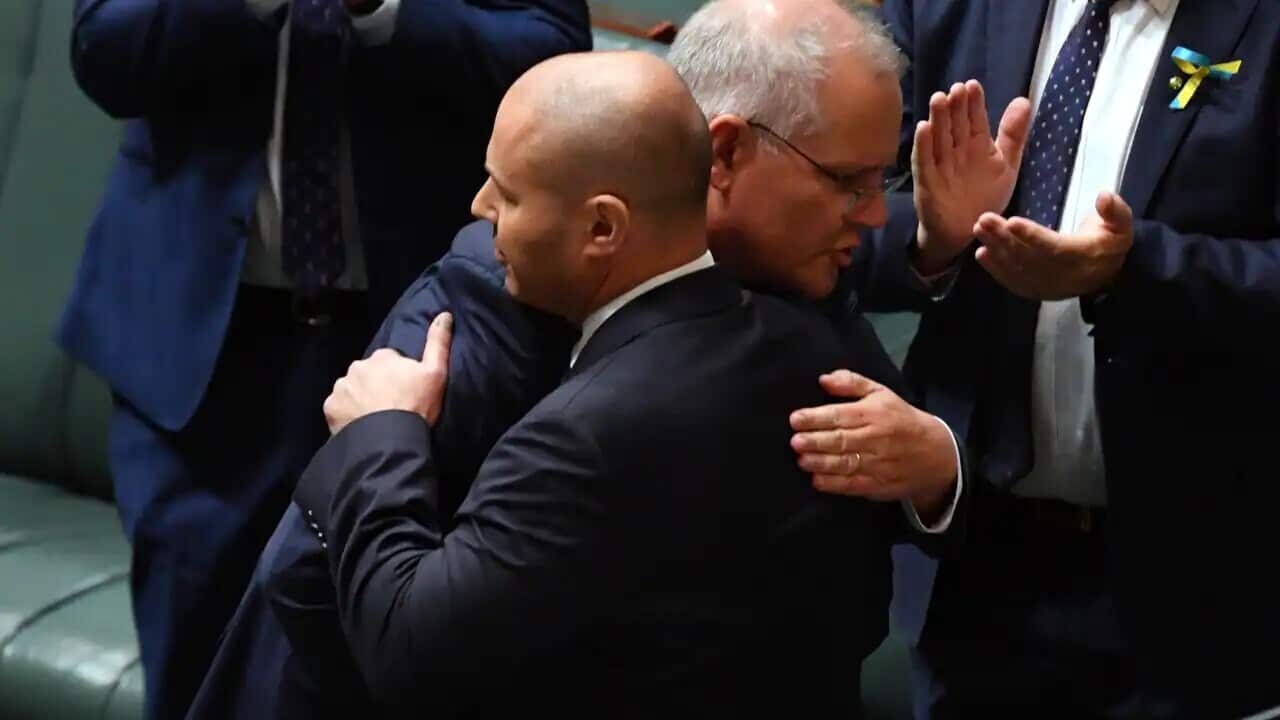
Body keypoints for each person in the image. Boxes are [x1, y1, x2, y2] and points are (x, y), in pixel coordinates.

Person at [194, 2, 969, 715]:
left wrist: (936, 467)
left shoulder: (800, 291)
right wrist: (385, 441)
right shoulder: (491, 296)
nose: (874, 215)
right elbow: (314, 587)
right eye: (848, 182)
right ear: (724, 152)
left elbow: (858, 551)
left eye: (881, 181)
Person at [59, 1, 590, 717]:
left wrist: (381, 9)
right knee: (192, 676)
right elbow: (104, 50)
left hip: (417, 353)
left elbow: (557, 63)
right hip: (198, 353)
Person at [800, 0, 1280, 716]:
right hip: (971, 566)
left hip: (1194, 578)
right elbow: (832, 204)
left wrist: (1137, 267)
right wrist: (934, 237)